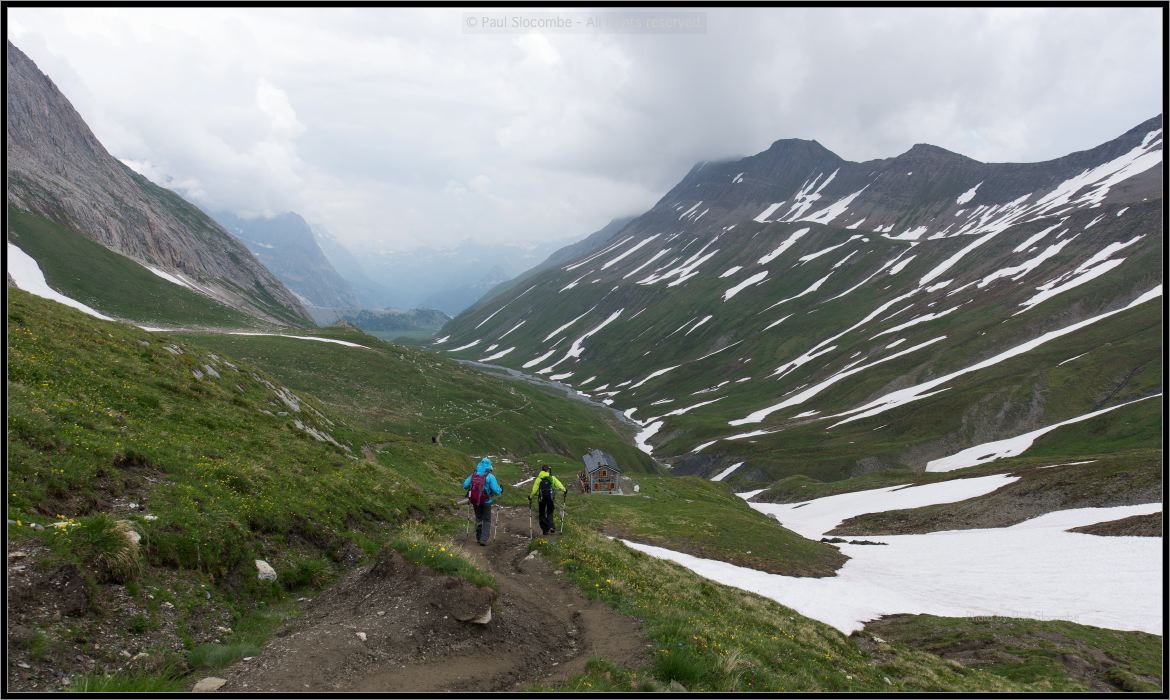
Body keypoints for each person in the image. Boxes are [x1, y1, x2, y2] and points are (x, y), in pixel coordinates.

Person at [463, 457, 503, 546]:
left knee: (478, 518)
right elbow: (496, 491)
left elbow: (465, 485)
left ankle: (478, 537)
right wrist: (501, 490)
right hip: (487, 501)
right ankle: (483, 539)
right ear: (489, 466)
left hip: (475, 500)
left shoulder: (473, 475)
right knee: (487, 519)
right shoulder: (490, 476)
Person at [530, 464, 566, 535]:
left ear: (542, 470)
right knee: (550, 512)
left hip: (541, 498)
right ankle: (551, 526)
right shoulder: (552, 477)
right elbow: (559, 484)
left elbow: (534, 490)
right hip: (550, 498)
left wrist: (530, 497)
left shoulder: (539, 479)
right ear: (548, 470)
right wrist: (564, 490)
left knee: (542, 513)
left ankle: (545, 530)